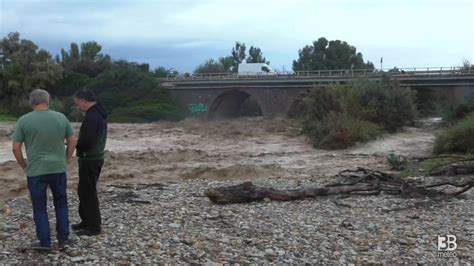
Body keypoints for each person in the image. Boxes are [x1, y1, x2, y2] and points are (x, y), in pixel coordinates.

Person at [12, 89, 76, 250]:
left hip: (36, 170)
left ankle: (45, 242)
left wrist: (24, 166)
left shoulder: (23, 120)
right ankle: (64, 239)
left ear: (31, 102)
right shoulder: (61, 117)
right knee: (61, 203)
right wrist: (66, 158)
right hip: (58, 168)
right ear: (48, 101)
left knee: (39, 206)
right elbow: (72, 140)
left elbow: (15, 148)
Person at [72, 88, 107, 236]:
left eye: (77, 103)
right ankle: (86, 221)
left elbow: (87, 140)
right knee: (85, 190)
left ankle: (93, 226)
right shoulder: (98, 113)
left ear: (84, 101)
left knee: (87, 192)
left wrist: (74, 143)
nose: (77, 106)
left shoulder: (92, 116)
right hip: (95, 157)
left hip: (90, 158)